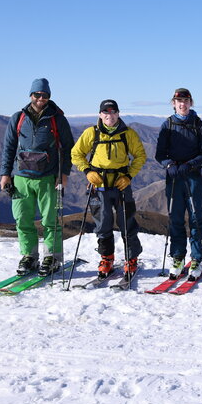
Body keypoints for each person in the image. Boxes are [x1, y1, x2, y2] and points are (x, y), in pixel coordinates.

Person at [0, 78, 74, 276]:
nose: (41, 98)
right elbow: (9, 147)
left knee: (50, 220)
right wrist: (5, 174)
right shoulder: (18, 118)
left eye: (45, 95)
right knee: (22, 219)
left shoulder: (57, 119)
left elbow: (68, 148)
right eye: (37, 95)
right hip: (21, 177)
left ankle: (52, 257)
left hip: (48, 177)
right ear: (30, 95)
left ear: (49, 96)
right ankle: (29, 256)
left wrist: (64, 174)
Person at [70, 99, 148, 279]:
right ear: (100, 115)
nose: (109, 115)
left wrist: (129, 176)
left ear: (118, 114)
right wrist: (87, 171)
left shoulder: (128, 134)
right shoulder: (92, 133)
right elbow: (76, 153)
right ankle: (107, 259)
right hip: (99, 186)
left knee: (127, 222)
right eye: (105, 112)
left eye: (113, 112)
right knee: (102, 223)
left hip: (121, 185)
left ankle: (131, 259)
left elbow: (140, 155)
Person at [154, 88, 202, 279]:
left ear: (191, 103)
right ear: (173, 103)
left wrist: (191, 164)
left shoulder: (199, 125)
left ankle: (197, 258)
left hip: (193, 176)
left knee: (196, 217)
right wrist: (168, 164)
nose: (182, 104)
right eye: (179, 101)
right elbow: (159, 154)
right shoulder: (167, 125)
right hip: (174, 177)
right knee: (176, 217)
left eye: (186, 100)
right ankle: (177, 256)